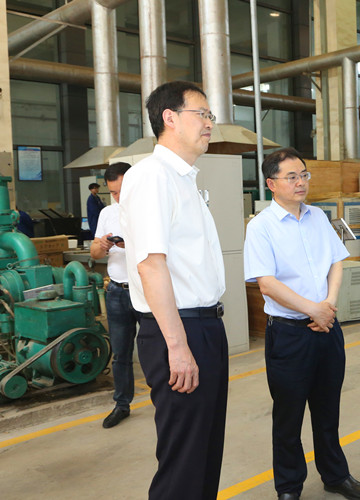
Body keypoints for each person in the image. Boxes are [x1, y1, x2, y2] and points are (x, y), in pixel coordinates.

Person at [119, 81, 228, 500]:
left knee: (205, 450)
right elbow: (150, 264)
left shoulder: (183, 179)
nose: (209, 123)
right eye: (202, 114)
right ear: (170, 118)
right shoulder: (152, 176)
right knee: (184, 459)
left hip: (204, 326)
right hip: (178, 331)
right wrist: (178, 347)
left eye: (210, 116)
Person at [243, 147, 360, 500]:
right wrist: (312, 310)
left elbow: (336, 262)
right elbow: (267, 284)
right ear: (271, 183)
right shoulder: (261, 227)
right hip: (289, 334)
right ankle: (289, 487)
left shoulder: (317, 217)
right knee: (288, 417)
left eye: (304, 174)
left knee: (328, 410)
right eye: (291, 177)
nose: (301, 182)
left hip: (327, 328)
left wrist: (328, 305)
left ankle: (335, 476)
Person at [90, 162, 138, 429]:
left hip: (145, 290)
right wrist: (104, 245)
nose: (117, 197)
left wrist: (129, 243)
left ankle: (166, 402)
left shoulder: (148, 209)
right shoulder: (107, 213)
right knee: (120, 353)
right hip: (117, 292)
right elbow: (94, 253)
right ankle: (122, 404)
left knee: (157, 351)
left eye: (120, 191)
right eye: (113, 193)